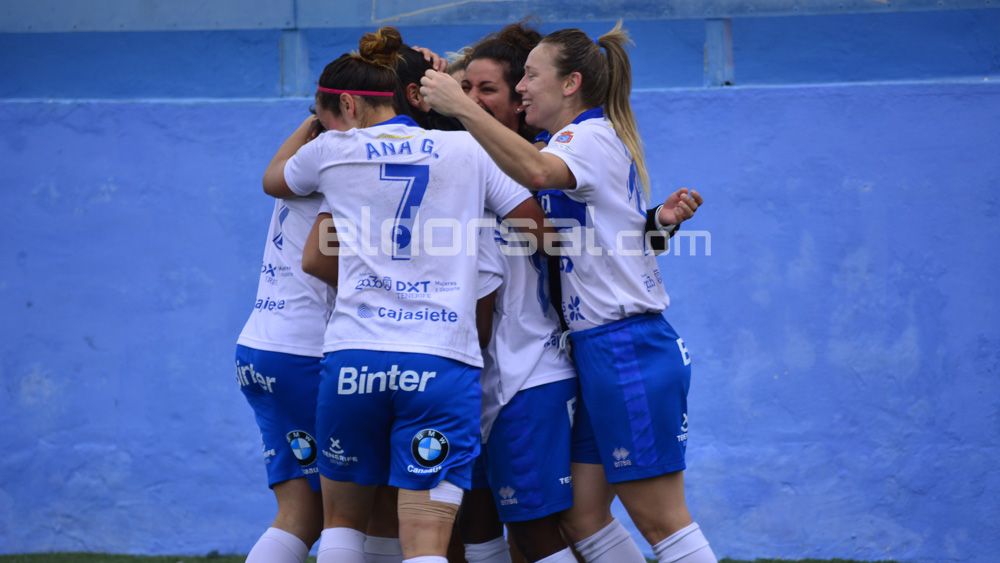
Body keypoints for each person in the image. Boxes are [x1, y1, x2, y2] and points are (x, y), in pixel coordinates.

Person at [420, 20, 714, 563]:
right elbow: (600, 237)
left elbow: (534, 172)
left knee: (663, 520)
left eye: (531, 75)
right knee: (582, 516)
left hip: (626, 346)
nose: (522, 86)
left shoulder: (583, 138)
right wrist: (656, 224)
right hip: (601, 348)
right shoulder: (570, 143)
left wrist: (460, 108)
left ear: (571, 83)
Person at [262, 26, 549, 563]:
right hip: (438, 359)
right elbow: (538, 228)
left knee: (342, 526)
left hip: (354, 356)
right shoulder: (467, 149)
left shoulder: (332, 149)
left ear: (350, 102)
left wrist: (316, 120)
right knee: (426, 542)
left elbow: (274, 180)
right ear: (422, 94)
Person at [235, 116, 332, 562]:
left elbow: (272, 172)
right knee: (357, 513)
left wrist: (315, 117)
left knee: (301, 515)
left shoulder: (301, 164)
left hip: (261, 347)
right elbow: (320, 261)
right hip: (306, 353)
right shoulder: (344, 170)